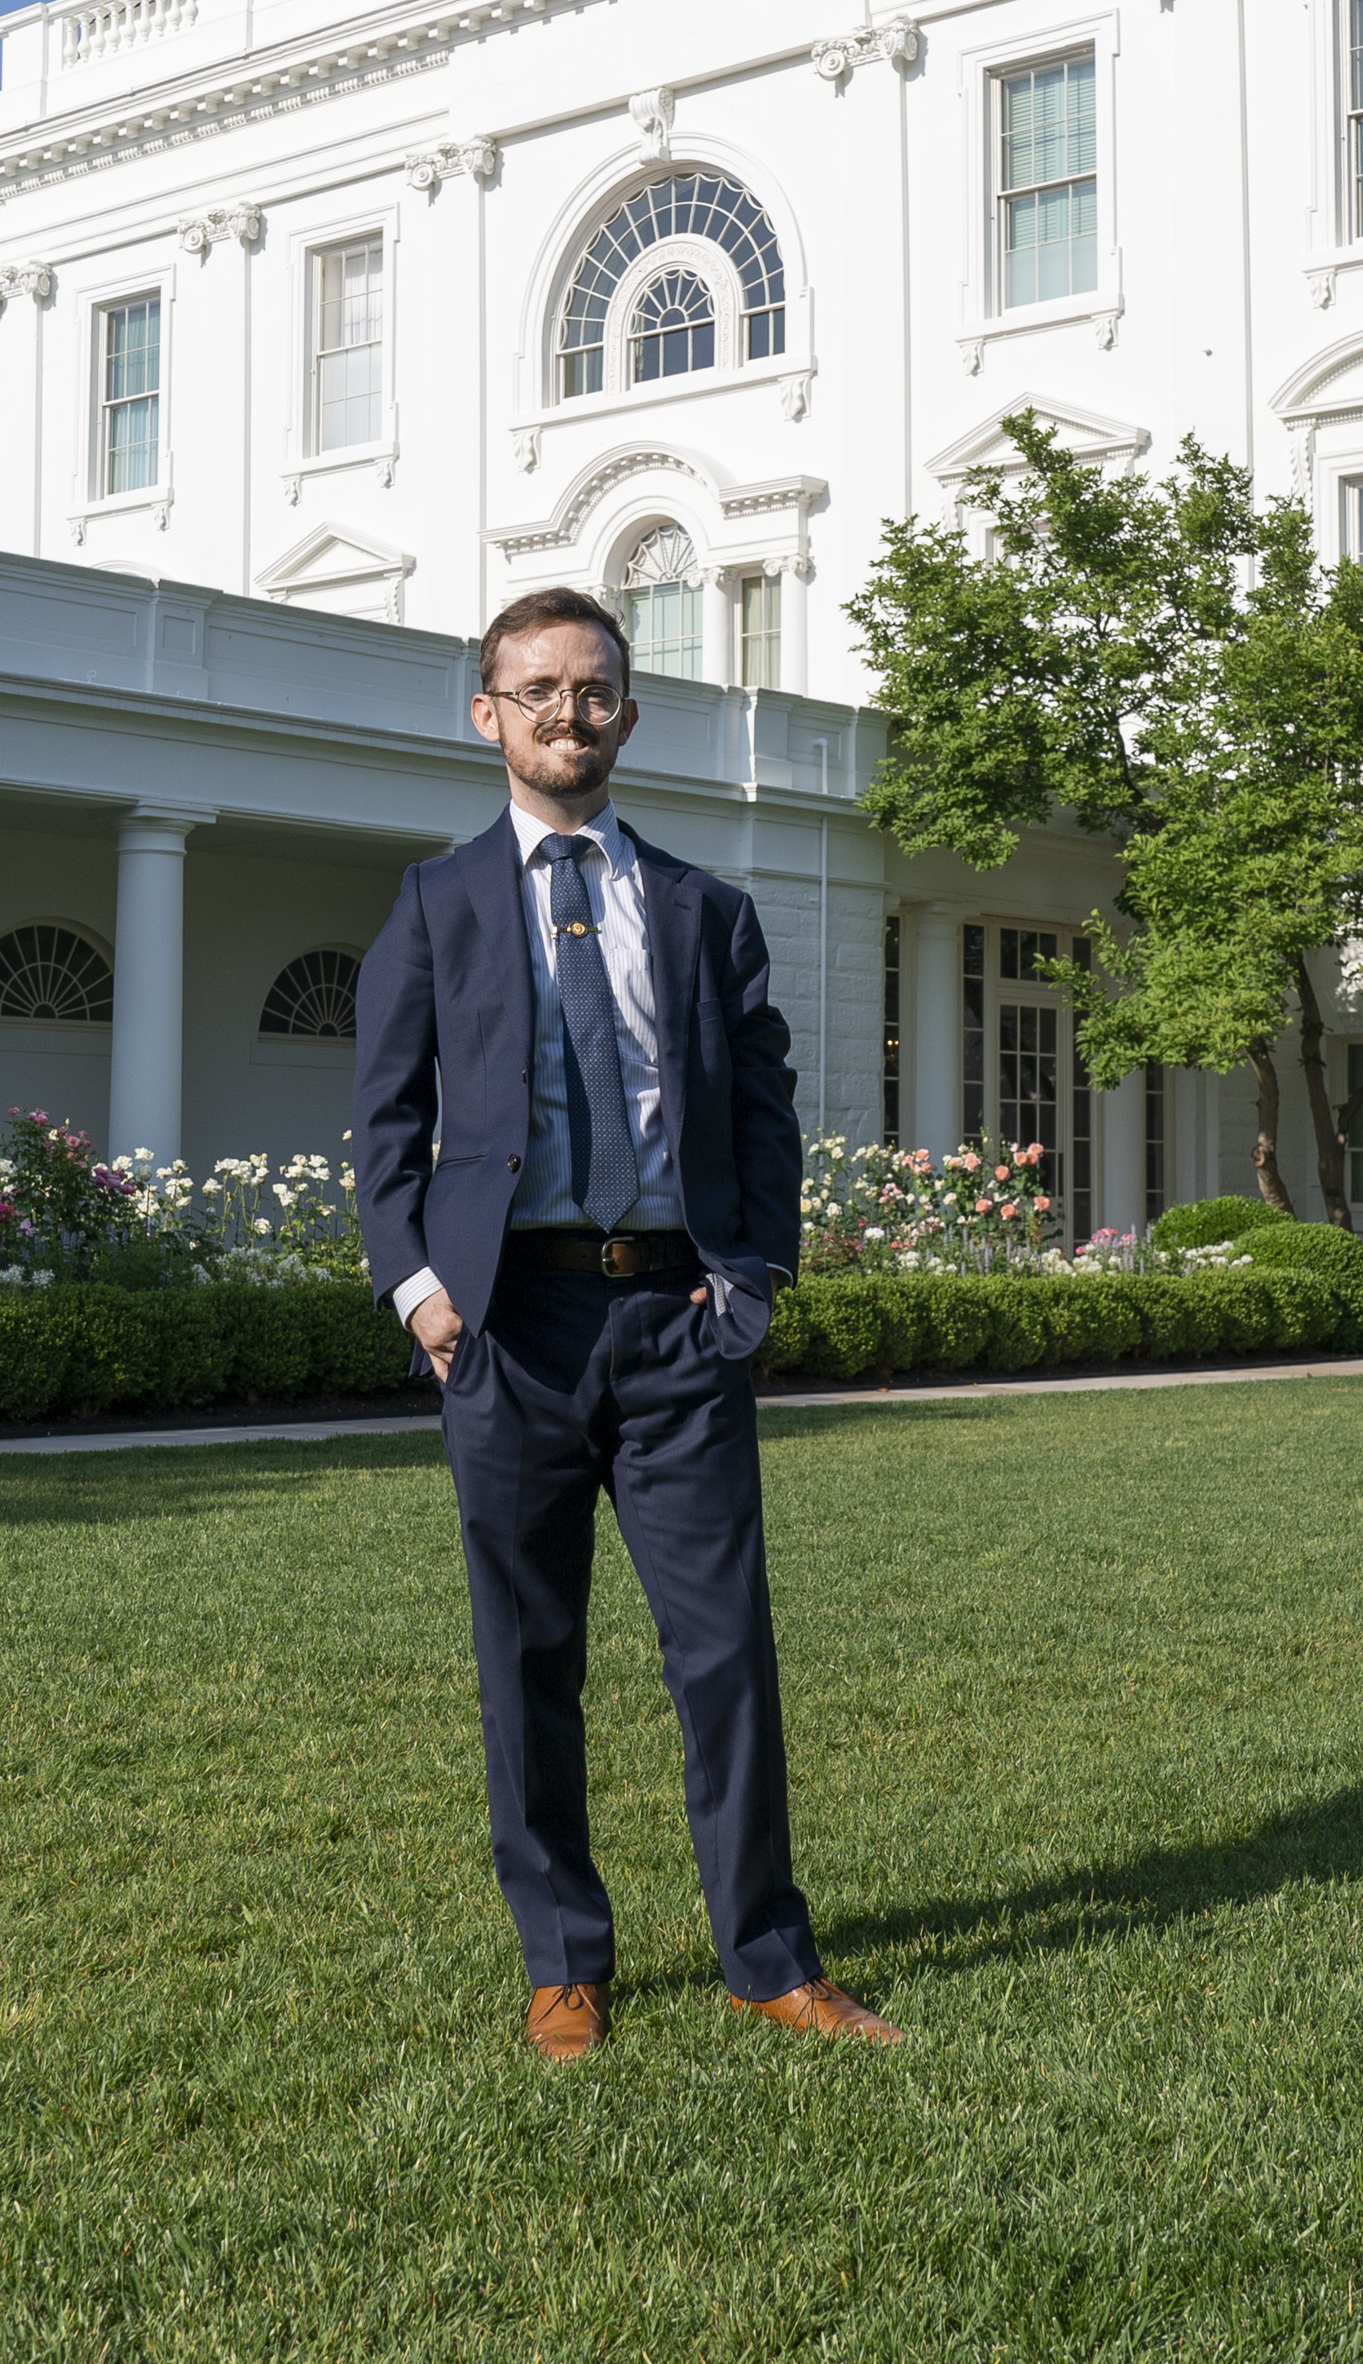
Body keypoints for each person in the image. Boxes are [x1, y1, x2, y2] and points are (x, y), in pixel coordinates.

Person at [352, 584, 898, 2063]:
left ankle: (768, 1957)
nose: (565, 716)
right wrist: (421, 1290)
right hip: (508, 1325)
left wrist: (756, 1277)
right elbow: (385, 1131)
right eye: (536, 691)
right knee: (528, 1654)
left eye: (592, 690)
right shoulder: (435, 906)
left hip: (674, 1319)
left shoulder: (708, 912)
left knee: (723, 1653)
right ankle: (562, 1961)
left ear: (627, 714)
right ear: (489, 714)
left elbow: (767, 1111)